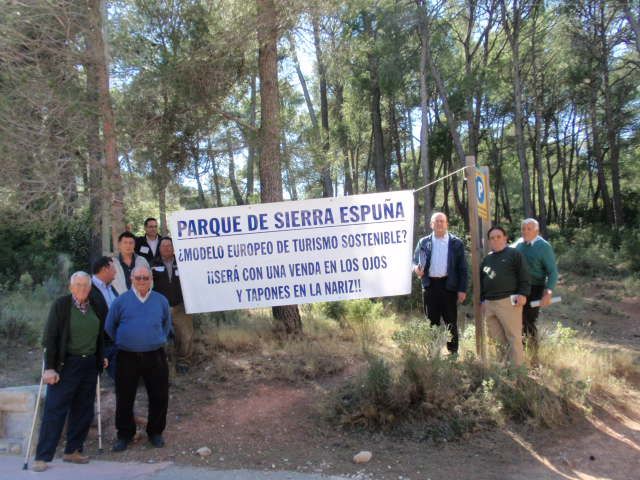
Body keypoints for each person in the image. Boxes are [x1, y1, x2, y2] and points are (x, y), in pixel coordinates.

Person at [32, 272, 107, 472]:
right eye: (78, 285)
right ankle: (43, 456)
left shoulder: (96, 305)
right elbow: (50, 337)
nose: (82, 288)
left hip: (90, 364)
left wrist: (102, 355)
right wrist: (49, 367)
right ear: (71, 287)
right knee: (55, 409)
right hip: (66, 365)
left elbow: (102, 334)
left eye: (85, 285)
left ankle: (73, 450)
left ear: (90, 288)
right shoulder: (62, 305)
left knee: (83, 410)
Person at [105, 265, 172, 452]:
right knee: (125, 397)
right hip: (127, 355)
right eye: (138, 277)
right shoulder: (121, 301)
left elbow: (166, 326)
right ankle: (124, 434)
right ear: (131, 279)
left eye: (145, 277)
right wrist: (127, 340)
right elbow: (110, 327)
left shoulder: (161, 301)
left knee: (159, 396)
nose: (142, 281)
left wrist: (154, 339)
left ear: (151, 279)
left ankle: (155, 432)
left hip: (155, 355)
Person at [413, 212, 468, 355]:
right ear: (431, 224)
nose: (439, 224)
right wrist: (416, 269)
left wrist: (462, 289)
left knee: (451, 322)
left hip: (448, 286)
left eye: (442, 221)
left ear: (446, 224)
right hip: (430, 286)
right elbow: (414, 261)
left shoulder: (456, 243)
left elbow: (462, 268)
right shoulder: (423, 242)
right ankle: (433, 353)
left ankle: (453, 353)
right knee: (432, 322)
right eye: (436, 221)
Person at [480, 226, 531, 367]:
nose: (495, 240)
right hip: (490, 304)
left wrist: (523, 293)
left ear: (505, 237)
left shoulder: (514, 254)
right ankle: (503, 370)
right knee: (497, 340)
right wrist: (482, 300)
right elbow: (482, 280)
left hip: (508, 302)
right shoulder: (487, 259)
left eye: (498, 236)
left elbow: (524, 275)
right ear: (489, 241)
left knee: (513, 338)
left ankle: (517, 373)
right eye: (492, 238)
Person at [513, 218, 559, 353]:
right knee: (516, 320)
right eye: (523, 229)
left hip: (535, 289)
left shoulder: (544, 247)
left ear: (536, 231)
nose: (525, 231)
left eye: (529, 229)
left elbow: (553, 272)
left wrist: (548, 292)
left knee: (528, 321)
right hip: (518, 288)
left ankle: (533, 355)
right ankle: (518, 354)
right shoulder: (519, 244)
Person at [152, 237, 193, 374]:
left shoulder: (183, 262)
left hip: (180, 306)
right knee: (160, 337)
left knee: (186, 335)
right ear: (159, 248)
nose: (166, 248)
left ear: (174, 248)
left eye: (169, 245)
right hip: (160, 308)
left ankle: (183, 361)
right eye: (163, 246)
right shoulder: (153, 264)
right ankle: (164, 362)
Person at [89, 256, 119, 379]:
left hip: (117, 338)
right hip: (103, 342)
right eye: (113, 268)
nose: (115, 271)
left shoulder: (110, 287)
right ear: (105, 269)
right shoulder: (88, 289)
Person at [112, 231, 149, 295]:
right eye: (125, 243)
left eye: (131, 243)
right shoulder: (112, 262)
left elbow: (149, 281)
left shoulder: (142, 261)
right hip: (119, 300)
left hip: (139, 299)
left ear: (134, 245)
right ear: (119, 245)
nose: (128, 245)